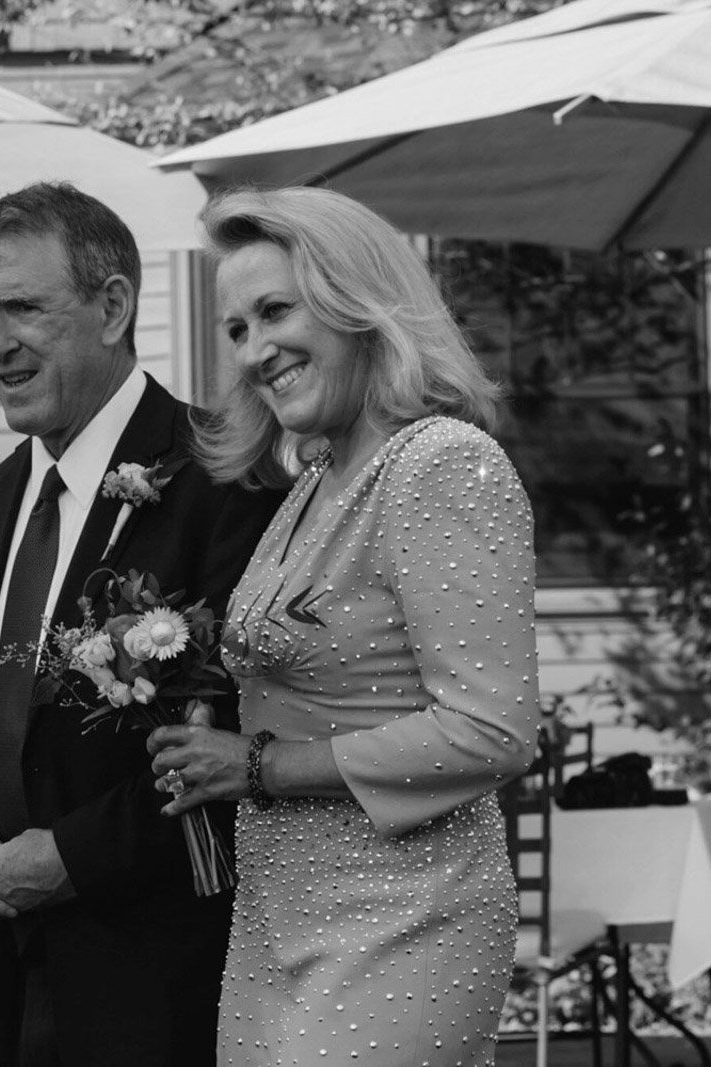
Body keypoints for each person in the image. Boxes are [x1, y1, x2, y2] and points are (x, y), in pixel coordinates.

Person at [147, 186, 542, 1067]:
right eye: (236, 328)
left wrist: (259, 766)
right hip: (276, 917)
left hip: (409, 914)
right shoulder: (312, 483)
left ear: (356, 301)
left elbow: (494, 729)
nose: (254, 350)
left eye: (275, 310)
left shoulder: (441, 464)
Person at [0, 182, 282, 1067]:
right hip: (12, 979)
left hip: (160, 984)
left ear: (113, 305)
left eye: (22, 309)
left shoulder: (221, 480)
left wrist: (70, 857)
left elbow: (240, 732)